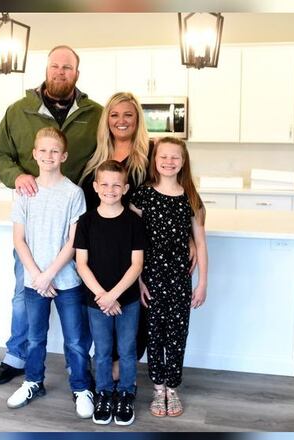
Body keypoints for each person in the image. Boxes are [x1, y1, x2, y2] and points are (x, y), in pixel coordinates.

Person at [0, 45, 102, 386]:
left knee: (78, 292)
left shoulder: (95, 114)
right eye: (55, 66)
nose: (60, 72)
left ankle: (78, 365)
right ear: (46, 69)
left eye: (67, 67)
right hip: (35, 219)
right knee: (24, 292)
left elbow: (110, 152)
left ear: (77, 73)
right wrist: (17, 176)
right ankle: (16, 356)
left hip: (79, 219)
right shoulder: (18, 111)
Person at [5, 127, 94, 418]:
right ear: (34, 154)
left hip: (66, 280)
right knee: (35, 338)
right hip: (34, 281)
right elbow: (19, 239)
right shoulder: (24, 193)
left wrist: (49, 274)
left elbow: (73, 241)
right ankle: (33, 382)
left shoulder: (74, 193)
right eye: (43, 150)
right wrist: (36, 275)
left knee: (75, 341)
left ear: (64, 156)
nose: (48, 156)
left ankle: (81, 388)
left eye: (55, 151)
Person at [129, 137, 209, 418]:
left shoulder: (191, 198)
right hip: (149, 278)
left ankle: (172, 388)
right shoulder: (142, 195)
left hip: (179, 279)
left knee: (176, 334)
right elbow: (133, 242)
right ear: (155, 160)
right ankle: (158, 388)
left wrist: (202, 282)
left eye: (175, 157)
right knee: (154, 334)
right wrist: (138, 280)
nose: (168, 161)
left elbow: (201, 243)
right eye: (163, 156)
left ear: (183, 162)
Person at [78, 92, 151, 385]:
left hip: (138, 251)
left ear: (138, 120)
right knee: (100, 322)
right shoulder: (95, 160)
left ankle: (123, 374)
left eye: (128, 115)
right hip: (98, 256)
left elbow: (181, 197)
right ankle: (106, 372)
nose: (121, 121)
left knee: (134, 316)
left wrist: (192, 238)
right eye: (114, 115)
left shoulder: (149, 158)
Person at [74, 160, 146, 426]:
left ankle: (126, 392)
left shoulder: (134, 222)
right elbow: (81, 264)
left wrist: (113, 295)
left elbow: (137, 265)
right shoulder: (86, 221)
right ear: (95, 187)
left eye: (116, 185)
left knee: (127, 350)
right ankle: (103, 392)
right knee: (102, 351)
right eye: (104, 184)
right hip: (97, 302)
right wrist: (102, 296)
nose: (110, 189)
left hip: (127, 300)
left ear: (125, 188)